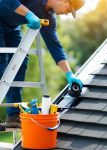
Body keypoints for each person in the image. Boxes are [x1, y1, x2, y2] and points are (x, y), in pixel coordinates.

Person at [0, 0, 85, 128]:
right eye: (68, 10)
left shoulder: (48, 16)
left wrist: (69, 74)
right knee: (0, 63)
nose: (67, 14)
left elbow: (55, 46)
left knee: (20, 62)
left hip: (12, 28)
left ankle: (13, 115)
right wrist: (28, 13)